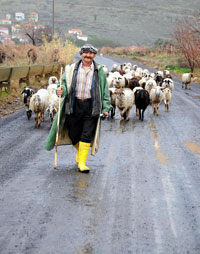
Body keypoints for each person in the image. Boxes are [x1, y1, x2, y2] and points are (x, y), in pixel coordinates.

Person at [45, 44, 112, 173]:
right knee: (74, 134)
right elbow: (63, 84)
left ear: (94, 55)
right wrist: (61, 90)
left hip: (92, 106)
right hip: (74, 105)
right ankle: (80, 153)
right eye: (85, 53)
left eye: (91, 53)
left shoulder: (99, 71)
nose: (88, 55)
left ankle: (82, 162)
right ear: (81, 54)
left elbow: (104, 91)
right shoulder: (70, 69)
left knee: (87, 134)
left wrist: (106, 108)